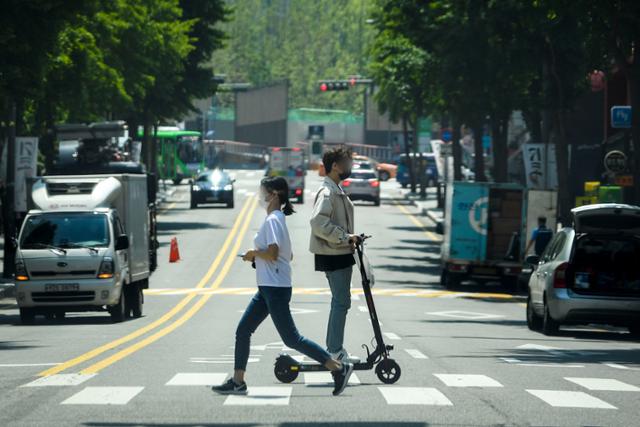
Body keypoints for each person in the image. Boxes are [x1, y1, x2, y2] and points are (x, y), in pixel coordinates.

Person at [212, 176, 354, 397]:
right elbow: (287, 254)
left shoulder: (273, 220)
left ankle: (337, 368)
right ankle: (238, 381)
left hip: (275, 288)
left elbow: (274, 252)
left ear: (274, 194)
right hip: (268, 287)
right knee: (243, 330)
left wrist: (253, 254)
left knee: (291, 338)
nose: (261, 196)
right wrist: (258, 260)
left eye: (263, 192)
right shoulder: (276, 219)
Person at [309, 147, 361, 363]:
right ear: (335, 166)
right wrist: (344, 237)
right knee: (341, 302)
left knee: (340, 301)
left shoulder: (336, 189)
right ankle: (334, 350)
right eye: (347, 162)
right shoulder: (328, 192)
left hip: (338, 252)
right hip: (334, 254)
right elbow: (317, 222)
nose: (350, 167)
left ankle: (334, 349)